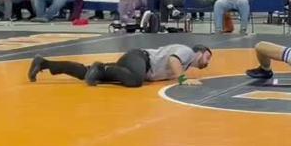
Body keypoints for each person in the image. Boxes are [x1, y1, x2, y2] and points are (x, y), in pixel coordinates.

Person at [29, 45, 212, 88]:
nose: (208, 61)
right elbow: (173, 59)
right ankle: (101, 68)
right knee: (135, 81)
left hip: (133, 66)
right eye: (208, 56)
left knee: (87, 73)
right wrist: (183, 79)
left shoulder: (186, 64)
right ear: (200, 51)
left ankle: (44, 63)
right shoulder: (187, 51)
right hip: (140, 58)